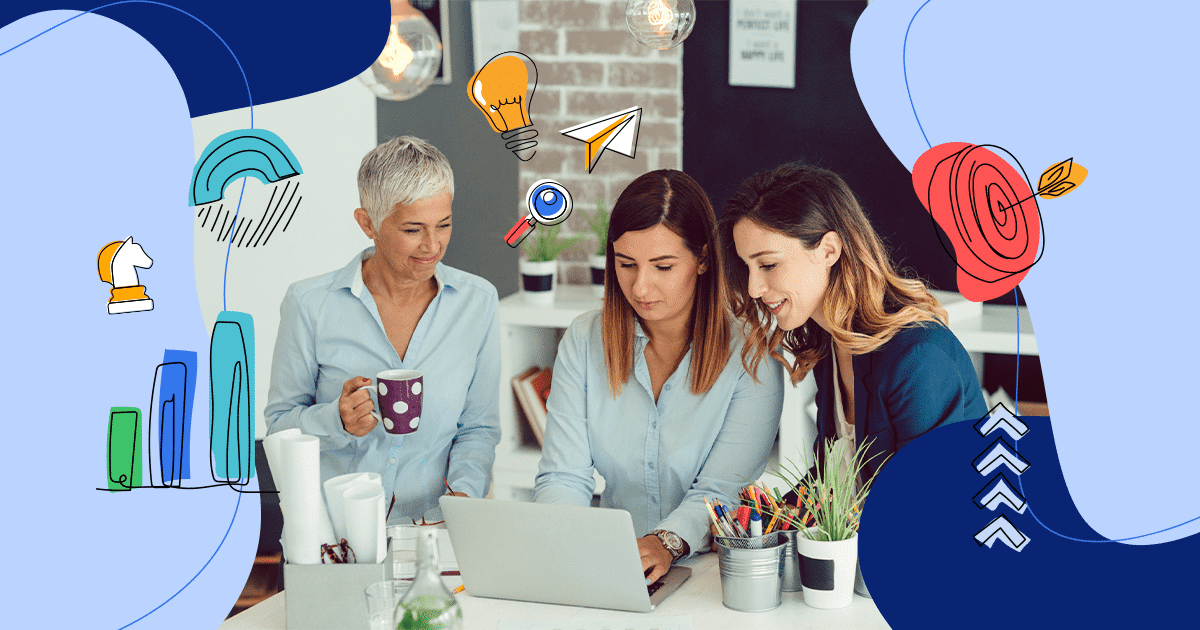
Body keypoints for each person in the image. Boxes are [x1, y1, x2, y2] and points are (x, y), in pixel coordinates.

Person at [533, 170, 783, 584]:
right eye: (626, 264)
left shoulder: (752, 356)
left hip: (708, 570)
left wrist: (665, 542)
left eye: (663, 266)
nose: (641, 286)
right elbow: (564, 475)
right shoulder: (584, 340)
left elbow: (719, 490)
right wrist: (567, 544)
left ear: (703, 259)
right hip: (607, 562)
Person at [264, 136, 501, 523]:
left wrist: (463, 496)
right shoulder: (309, 304)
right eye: (413, 229)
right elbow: (279, 426)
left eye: (444, 224)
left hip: (435, 533)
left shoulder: (477, 303)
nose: (433, 245)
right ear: (367, 223)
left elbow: (478, 428)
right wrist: (336, 421)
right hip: (334, 536)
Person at [719, 161, 987, 494]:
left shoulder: (918, 357)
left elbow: (929, 507)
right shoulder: (830, 342)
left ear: (828, 250)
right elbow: (834, 482)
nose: (754, 288)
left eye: (768, 264)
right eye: (747, 268)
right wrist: (770, 518)